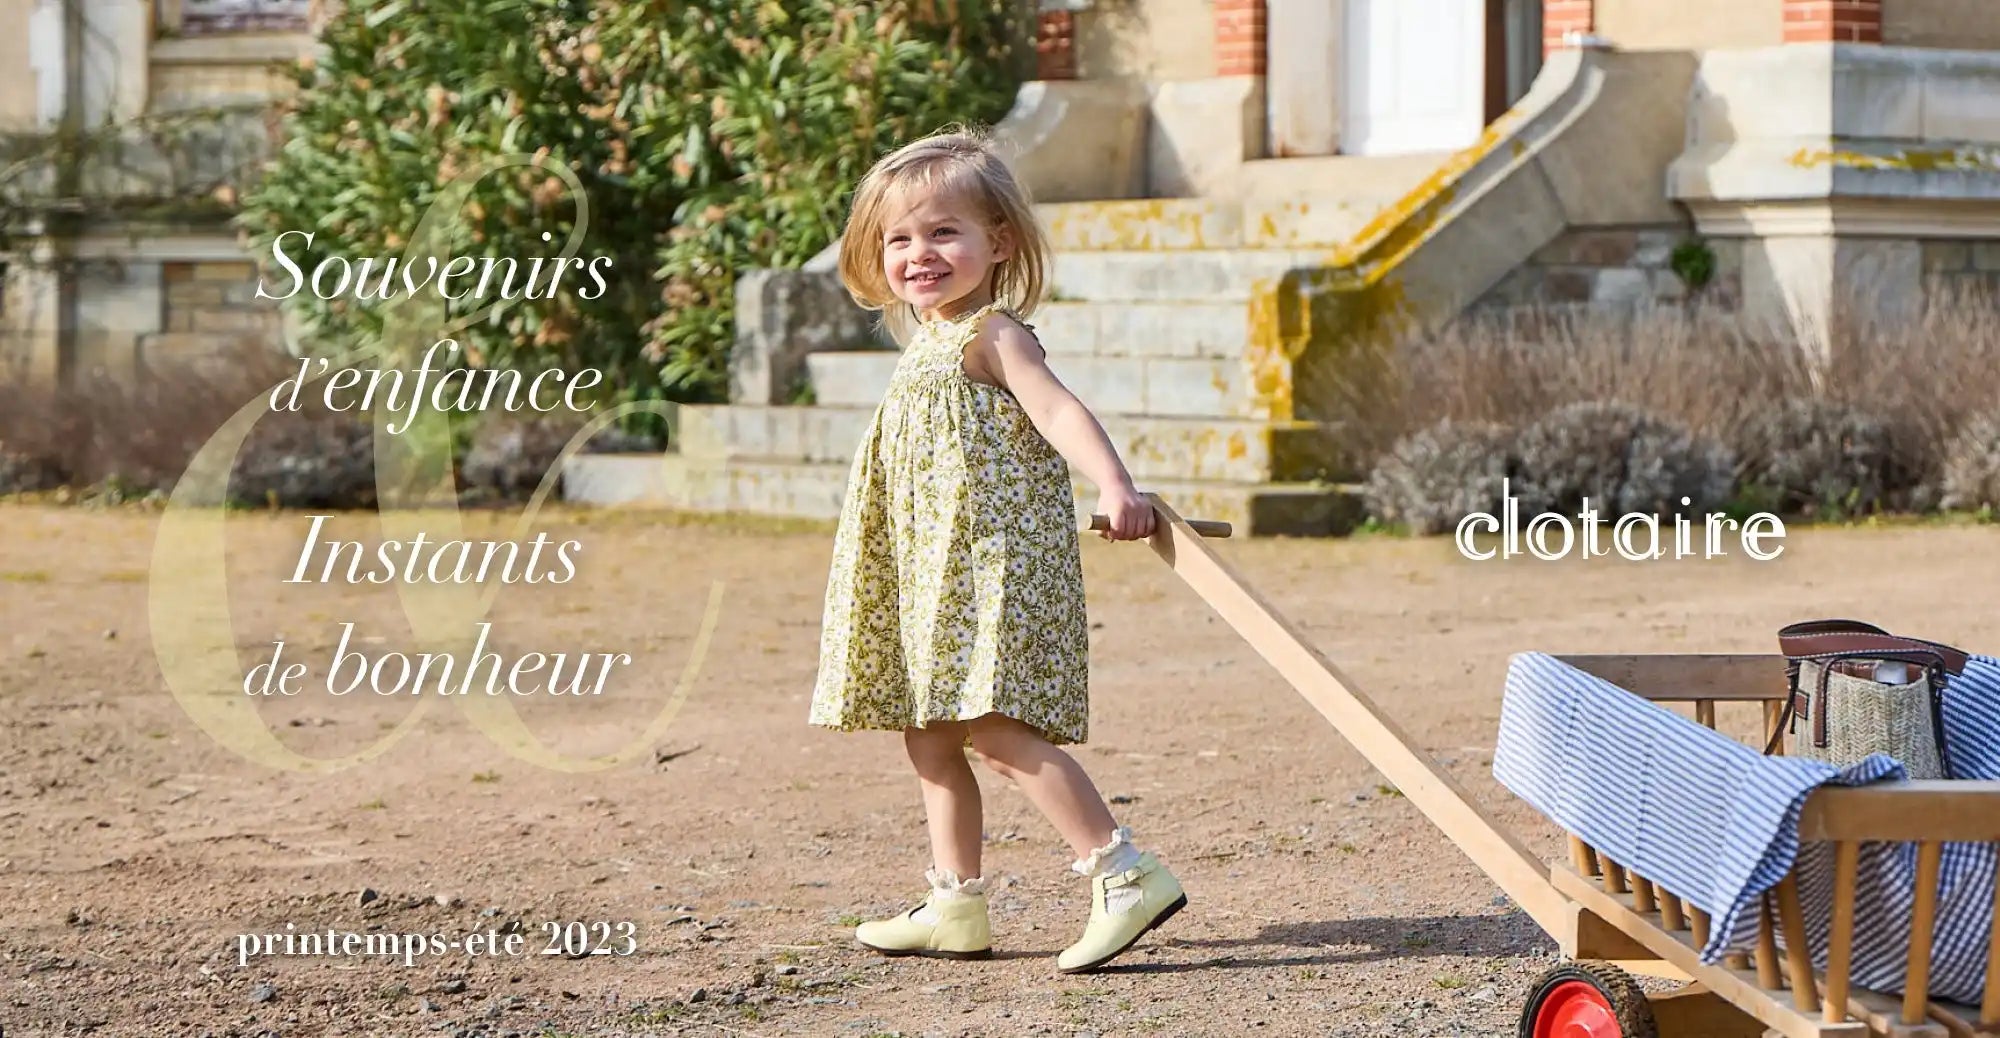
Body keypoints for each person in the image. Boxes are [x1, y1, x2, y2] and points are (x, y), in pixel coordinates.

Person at [807, 127, 1186, 974]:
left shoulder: (991, 331)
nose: (920, 254)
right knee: (930, 733)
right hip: (928, 566)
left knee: (992, 726)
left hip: (987, 563)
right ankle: (954, 903)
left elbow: (1057, 411)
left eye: (944, 232)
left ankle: (1123, 872)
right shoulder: (928, 340)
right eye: (899, 239)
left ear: (998, 241)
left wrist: (1114, 485)